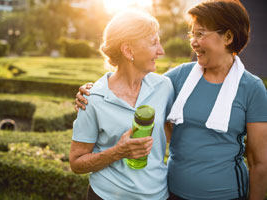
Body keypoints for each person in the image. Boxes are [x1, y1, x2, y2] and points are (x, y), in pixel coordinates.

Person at [74, 0, 267, 199]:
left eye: (200, 34)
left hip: (228, 194)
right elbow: (133, 82)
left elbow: (259, 162)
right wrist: (91, 91)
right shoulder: (180, 76)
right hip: (173, 193)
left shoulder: (252, 88)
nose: (193, 41)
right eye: (193, 34)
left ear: (228, 37)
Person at [69, 9, 174, 200]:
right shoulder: (93, 98)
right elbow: (76, 163)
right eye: (153, 43)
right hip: (106, 195)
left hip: (158, 195)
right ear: (128, 50)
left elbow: (170, 133)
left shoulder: (164, 87)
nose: (161, 51)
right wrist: (117, 152)